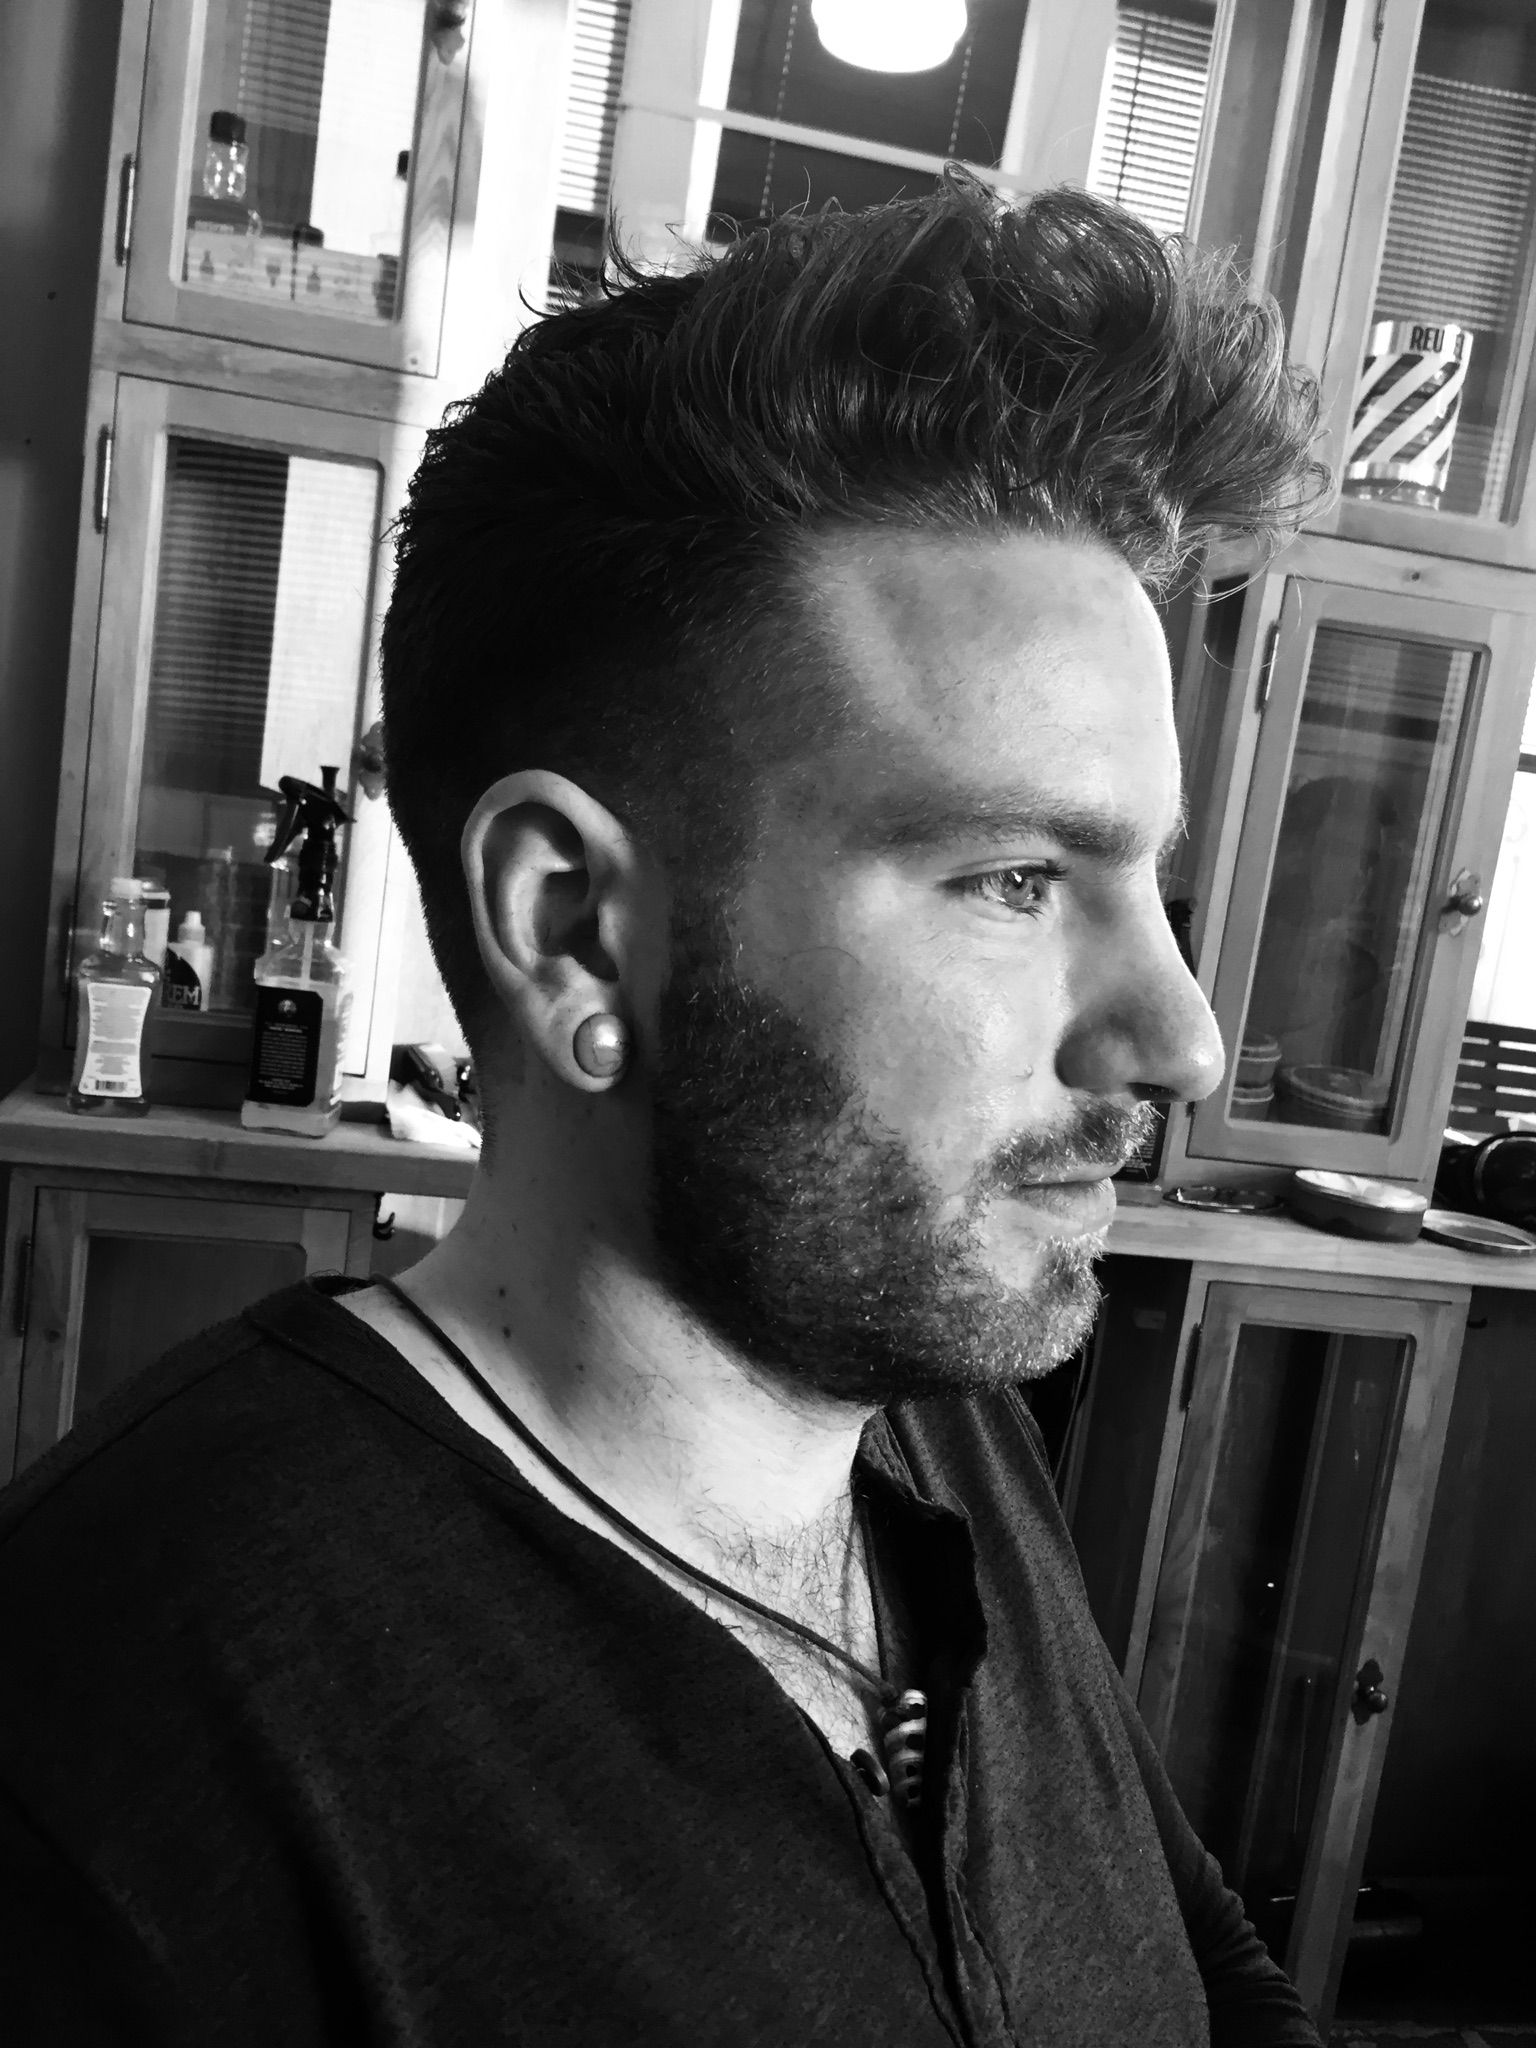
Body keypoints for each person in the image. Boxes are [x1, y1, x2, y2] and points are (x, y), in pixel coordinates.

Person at [0, 176, 1326, 2044]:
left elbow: (1185, 1949)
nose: (1181, 1040)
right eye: (1017, 879)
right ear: (573, 932)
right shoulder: (115, 1751)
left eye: (1147, 886)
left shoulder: (933, 1417)